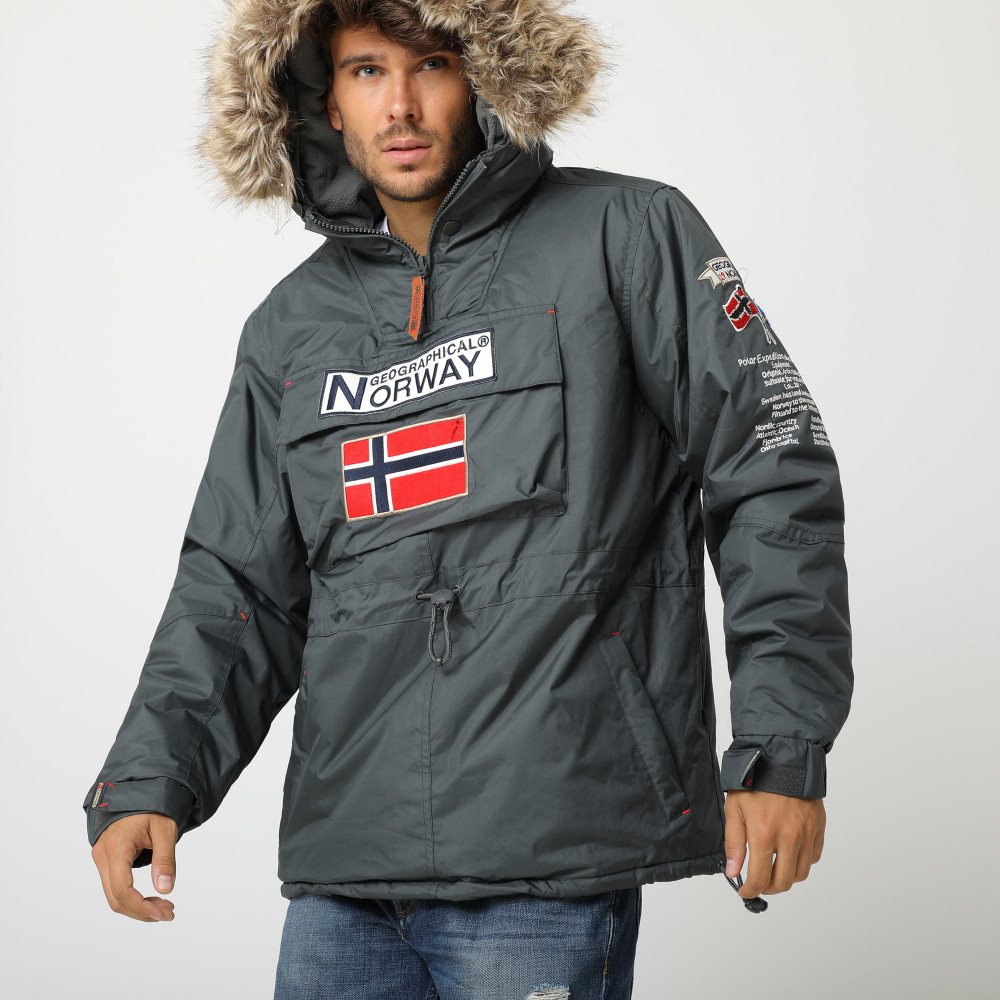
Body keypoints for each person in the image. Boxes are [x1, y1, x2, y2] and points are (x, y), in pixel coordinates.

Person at [84, 1, 853, 996]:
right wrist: (154, 773)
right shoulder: (289, 328)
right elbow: (238, 582)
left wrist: (779, 749)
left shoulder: (625, 233)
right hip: (345, 872)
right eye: (367, 71)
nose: (401, 105)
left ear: (488, 74)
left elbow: (771, 468)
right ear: (325, 100)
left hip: (552, 853)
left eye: (433, 65)